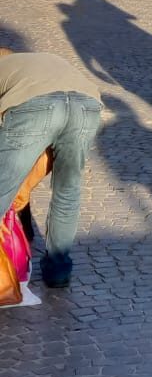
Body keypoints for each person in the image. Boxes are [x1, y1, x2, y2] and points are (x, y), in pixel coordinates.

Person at [0, 47, 103, 288]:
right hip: (87, 105)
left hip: (37, 104)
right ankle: (58, 272)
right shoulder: (29, 63)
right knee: (67, 192)